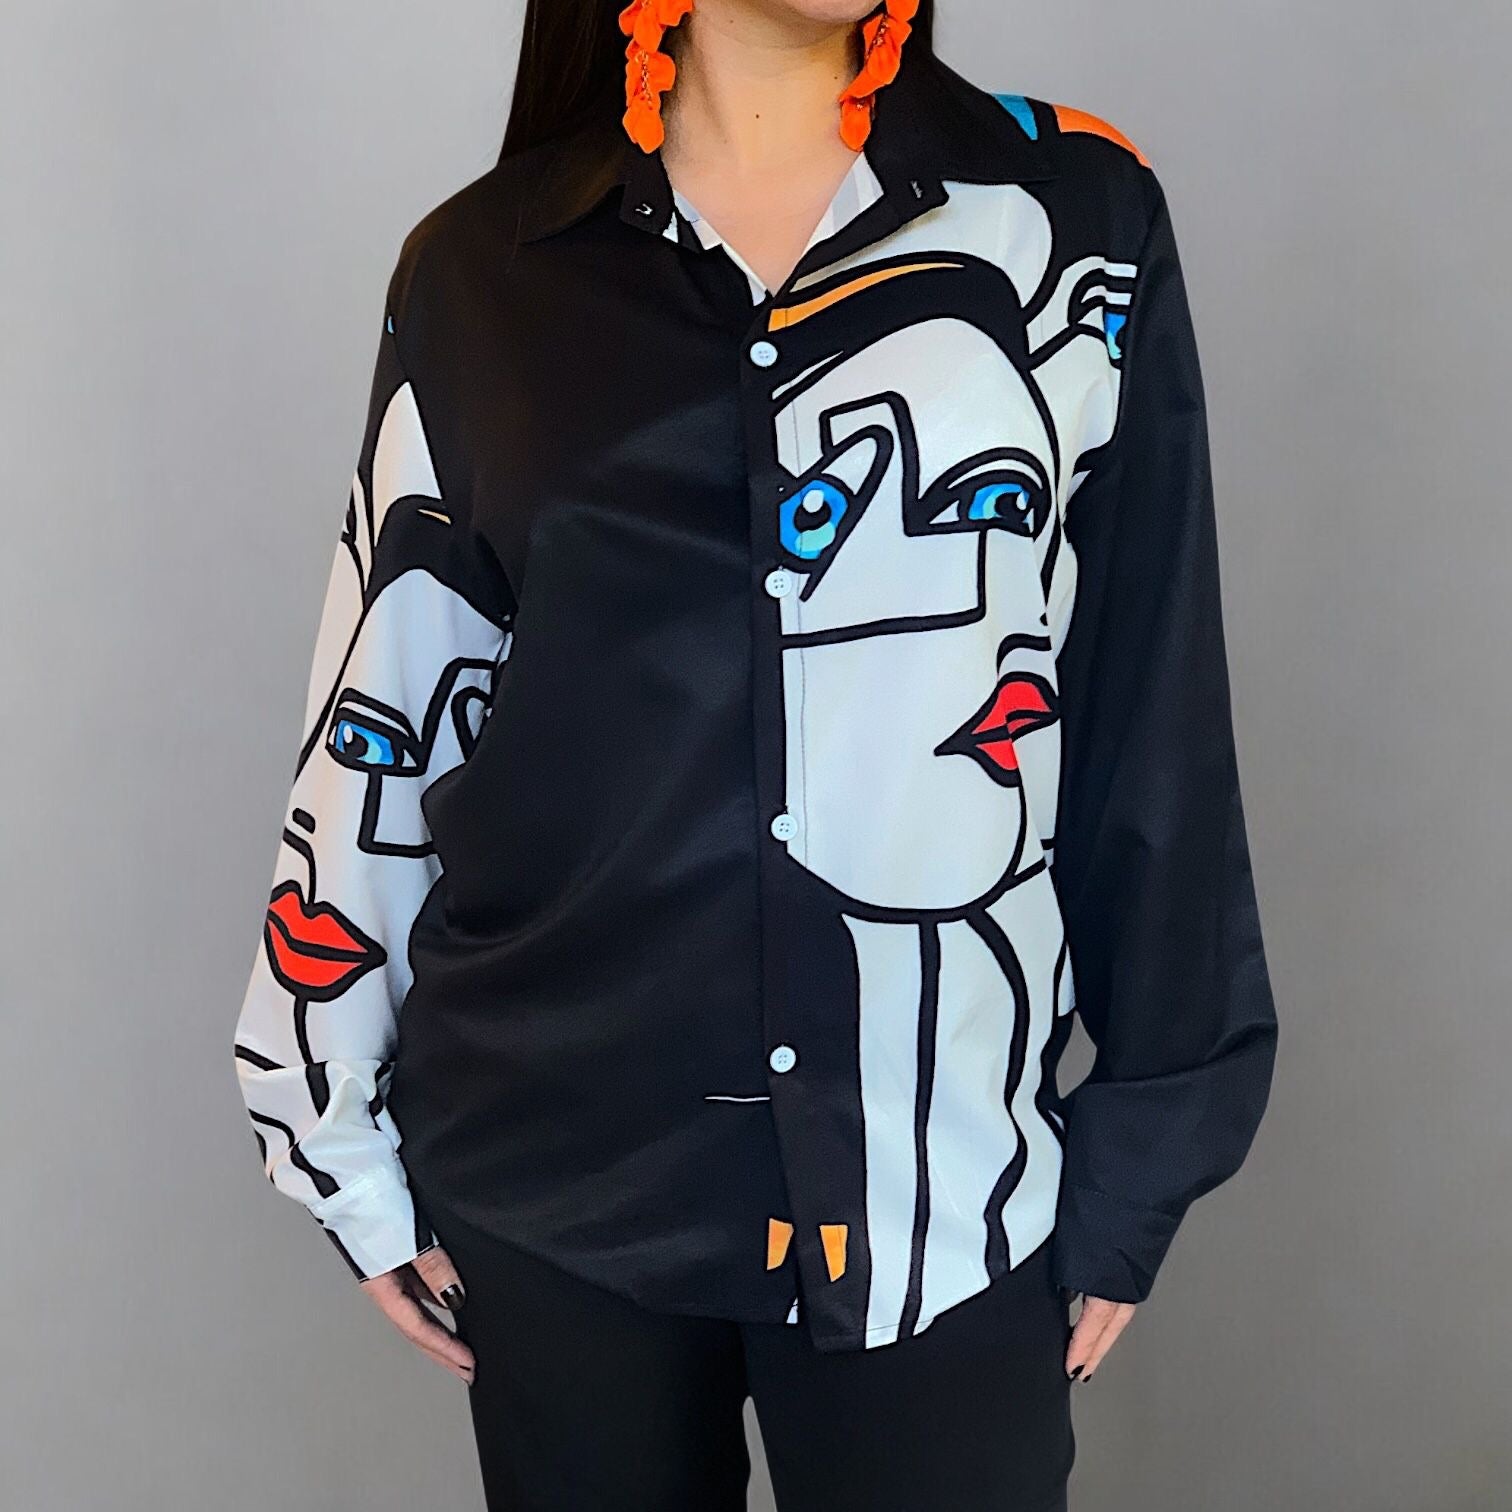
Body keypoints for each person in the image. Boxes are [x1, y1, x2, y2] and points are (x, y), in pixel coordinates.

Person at [231, 1, 1279, 1506]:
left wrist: (1154, 1126)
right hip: (556, 1170)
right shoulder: (477, 270)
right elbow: (391, 690)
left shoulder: (1070, 220)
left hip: (939, 1172)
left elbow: (1144, 687)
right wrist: (328, 1113)